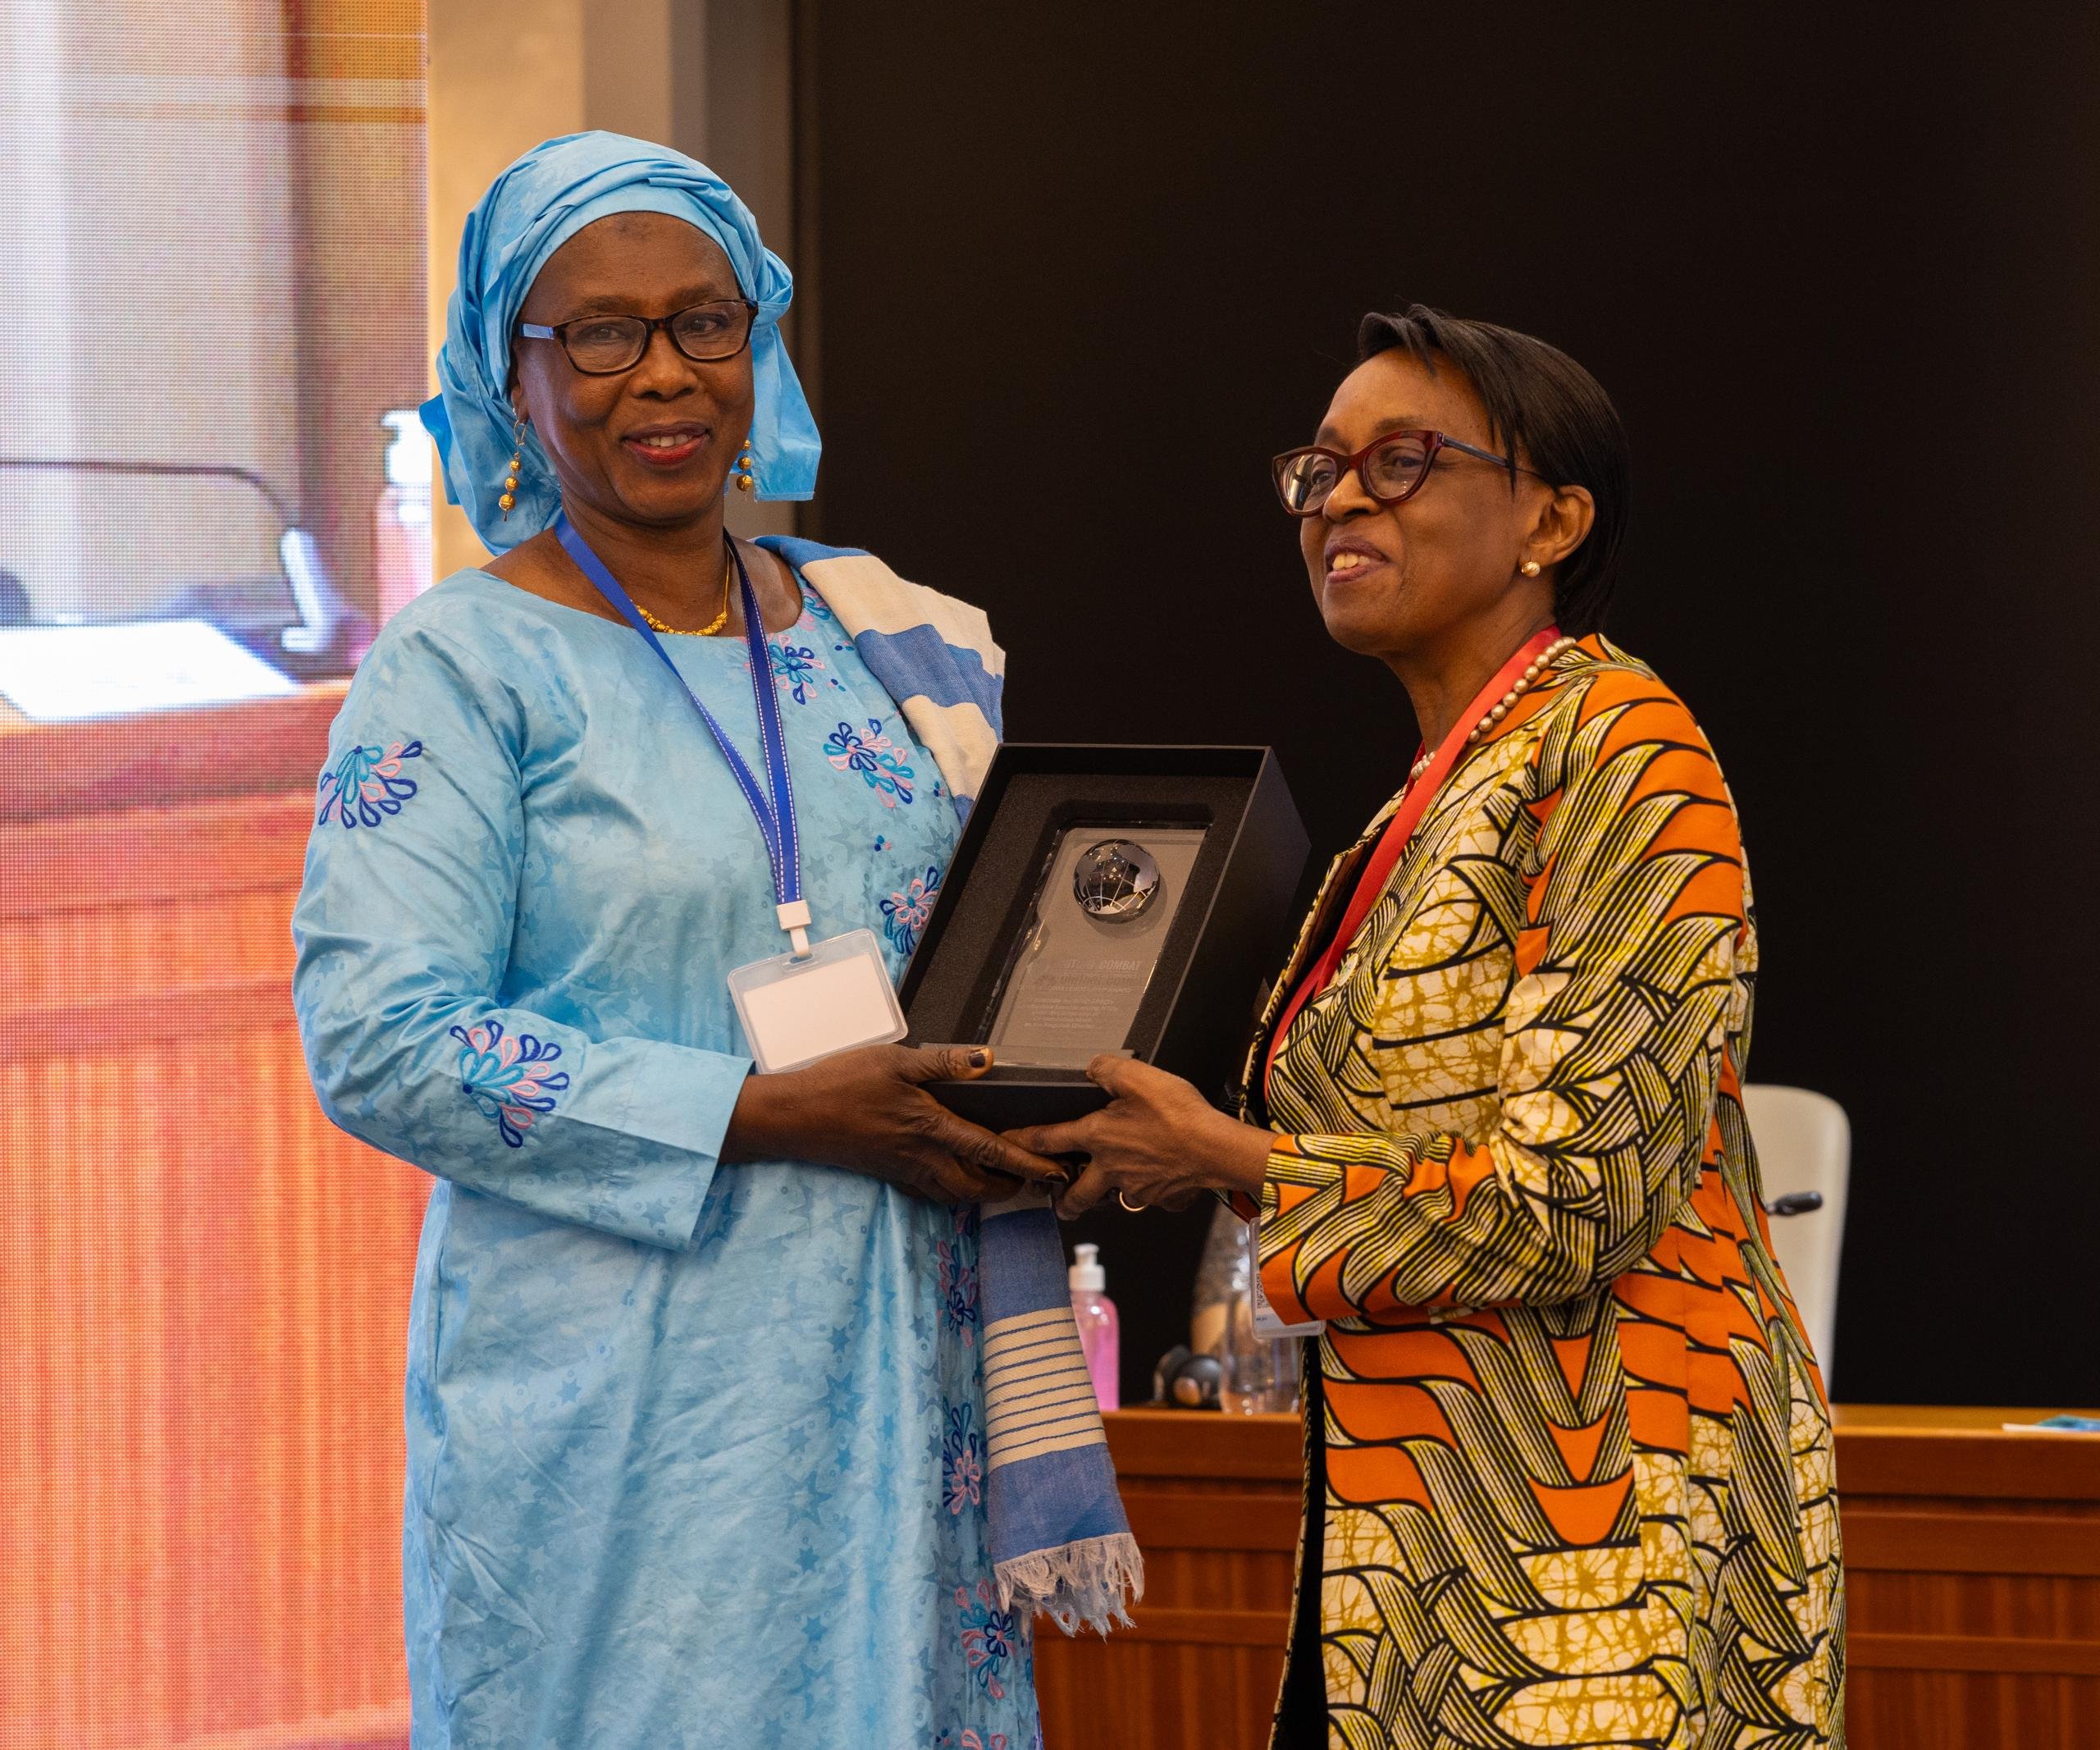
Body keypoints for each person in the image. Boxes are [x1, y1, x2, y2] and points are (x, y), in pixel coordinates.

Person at [291, 133, 1080, 1748]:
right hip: (620, 1421)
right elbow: (379, 1037)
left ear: (754, 342)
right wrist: (758, 1109)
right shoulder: (463, 671)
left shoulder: (887, 639)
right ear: (508, 370)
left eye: (700, 322)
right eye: (596, 331)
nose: (660, 374)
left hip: (894, 1375)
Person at [1014, 307, 1845, 1747]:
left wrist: (1234, 1154)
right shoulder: (1421, 802)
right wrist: (1154, 1148)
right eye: (1320, 468)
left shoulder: (1622, 745)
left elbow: (1572, 1198)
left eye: (1400, 460)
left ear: (1552, 517)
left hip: (1605, 1553)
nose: (1338, 497)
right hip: (1426, 1542)